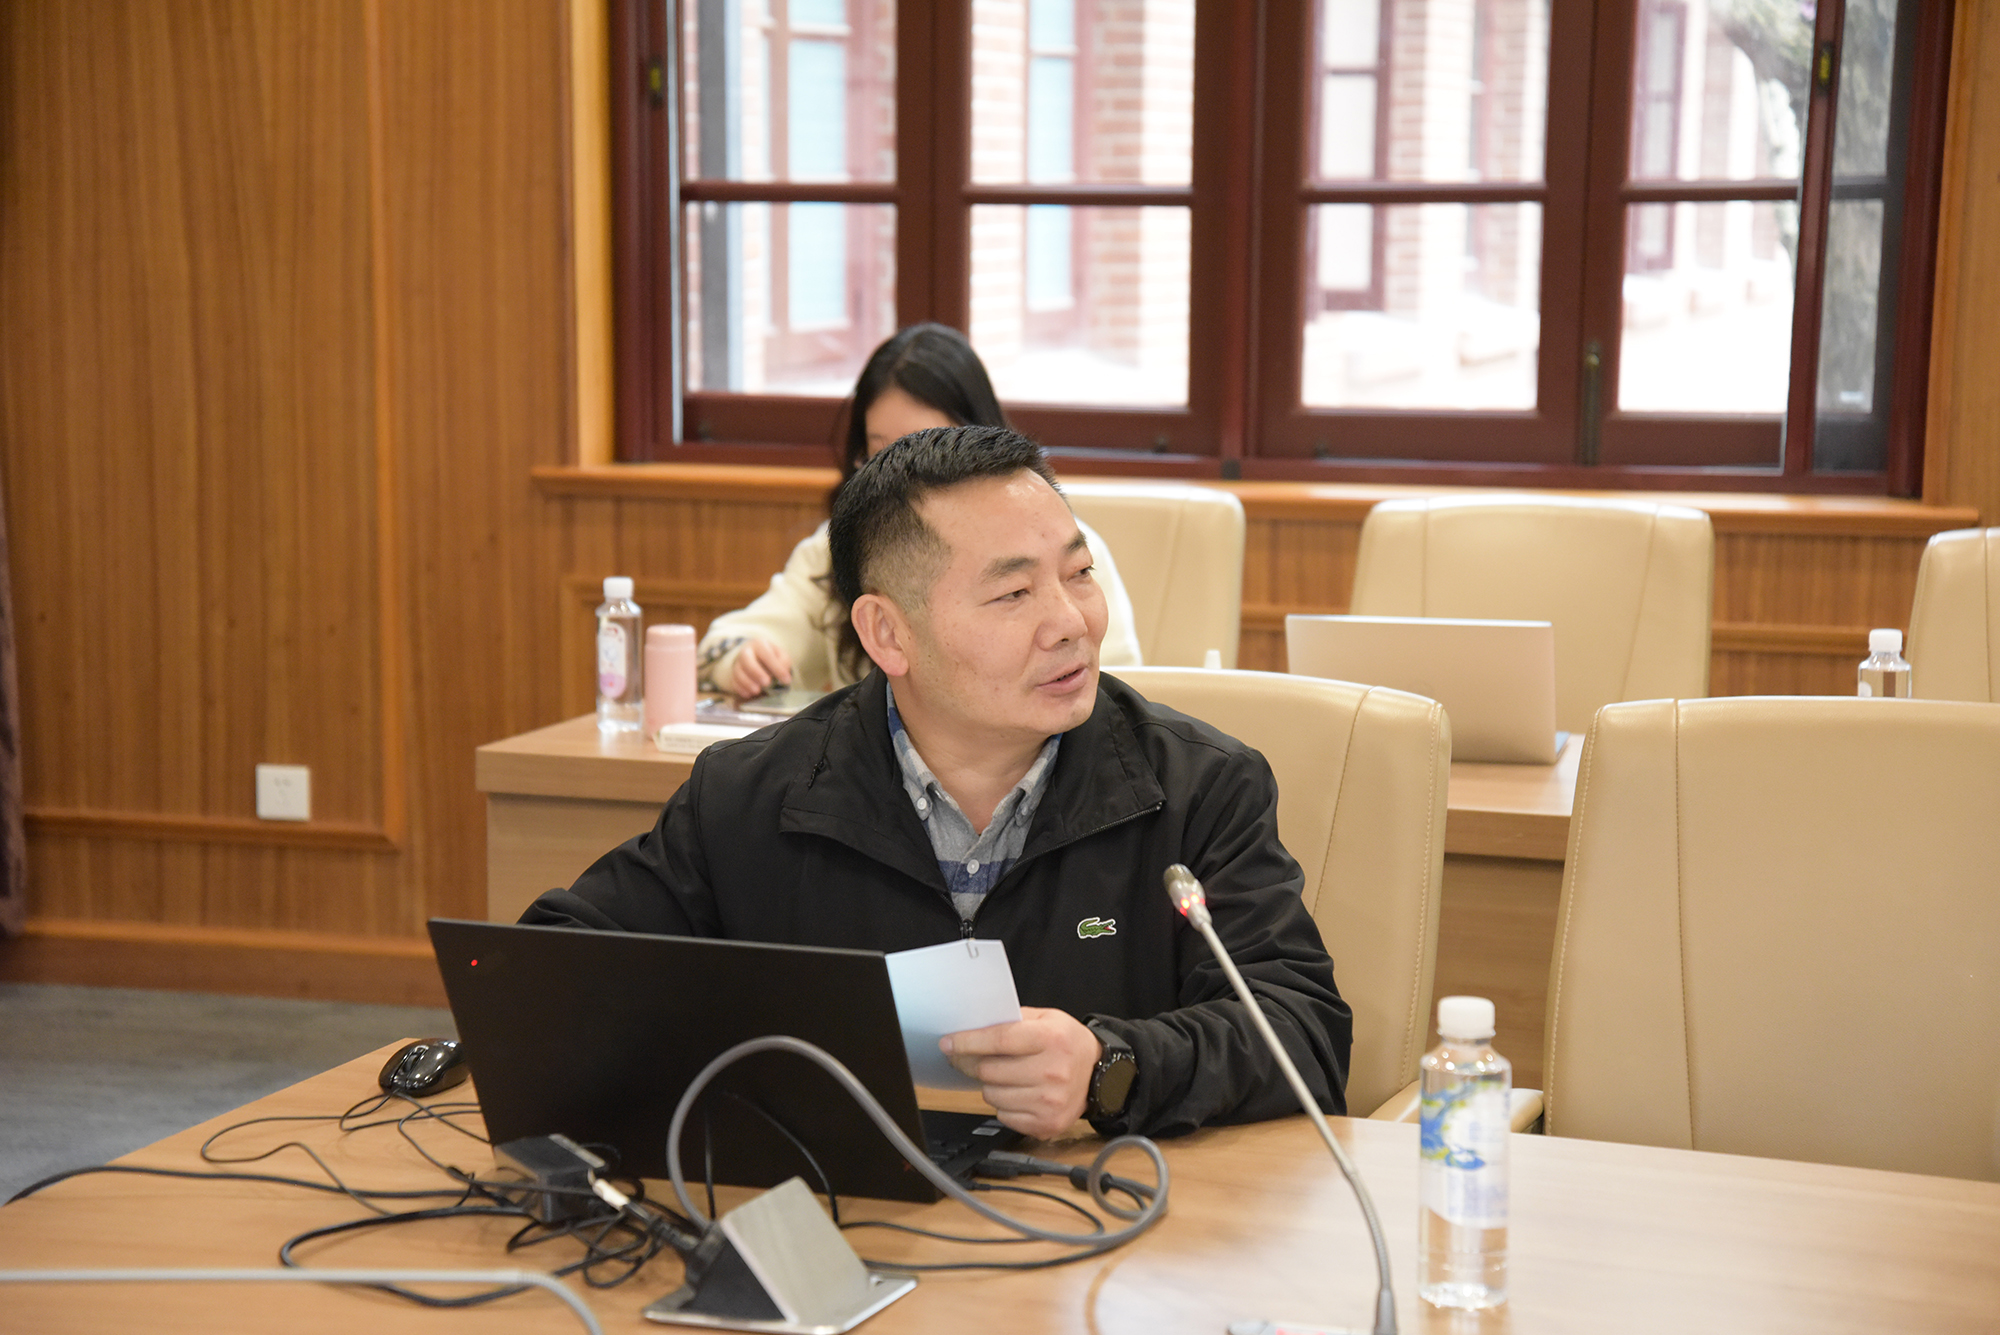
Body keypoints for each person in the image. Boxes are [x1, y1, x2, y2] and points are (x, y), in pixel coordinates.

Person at [525, 427, 1351, 1142]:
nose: (1072, 621)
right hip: (845, 1213)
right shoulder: (752, 794)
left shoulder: (1200, 787)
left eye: (1079, 573)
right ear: (887, 632)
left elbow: (1303, 1032)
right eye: (1014, 592)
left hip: (1108, 1226)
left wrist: (1113, 1067)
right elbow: (553, 968)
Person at [697, 323, 1143, 698]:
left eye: (929, 450)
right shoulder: (837, 554)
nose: (901, 479)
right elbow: (731, 643)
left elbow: (1118, 692)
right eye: (882, 455)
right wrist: (746, 659)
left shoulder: (1063, 549)